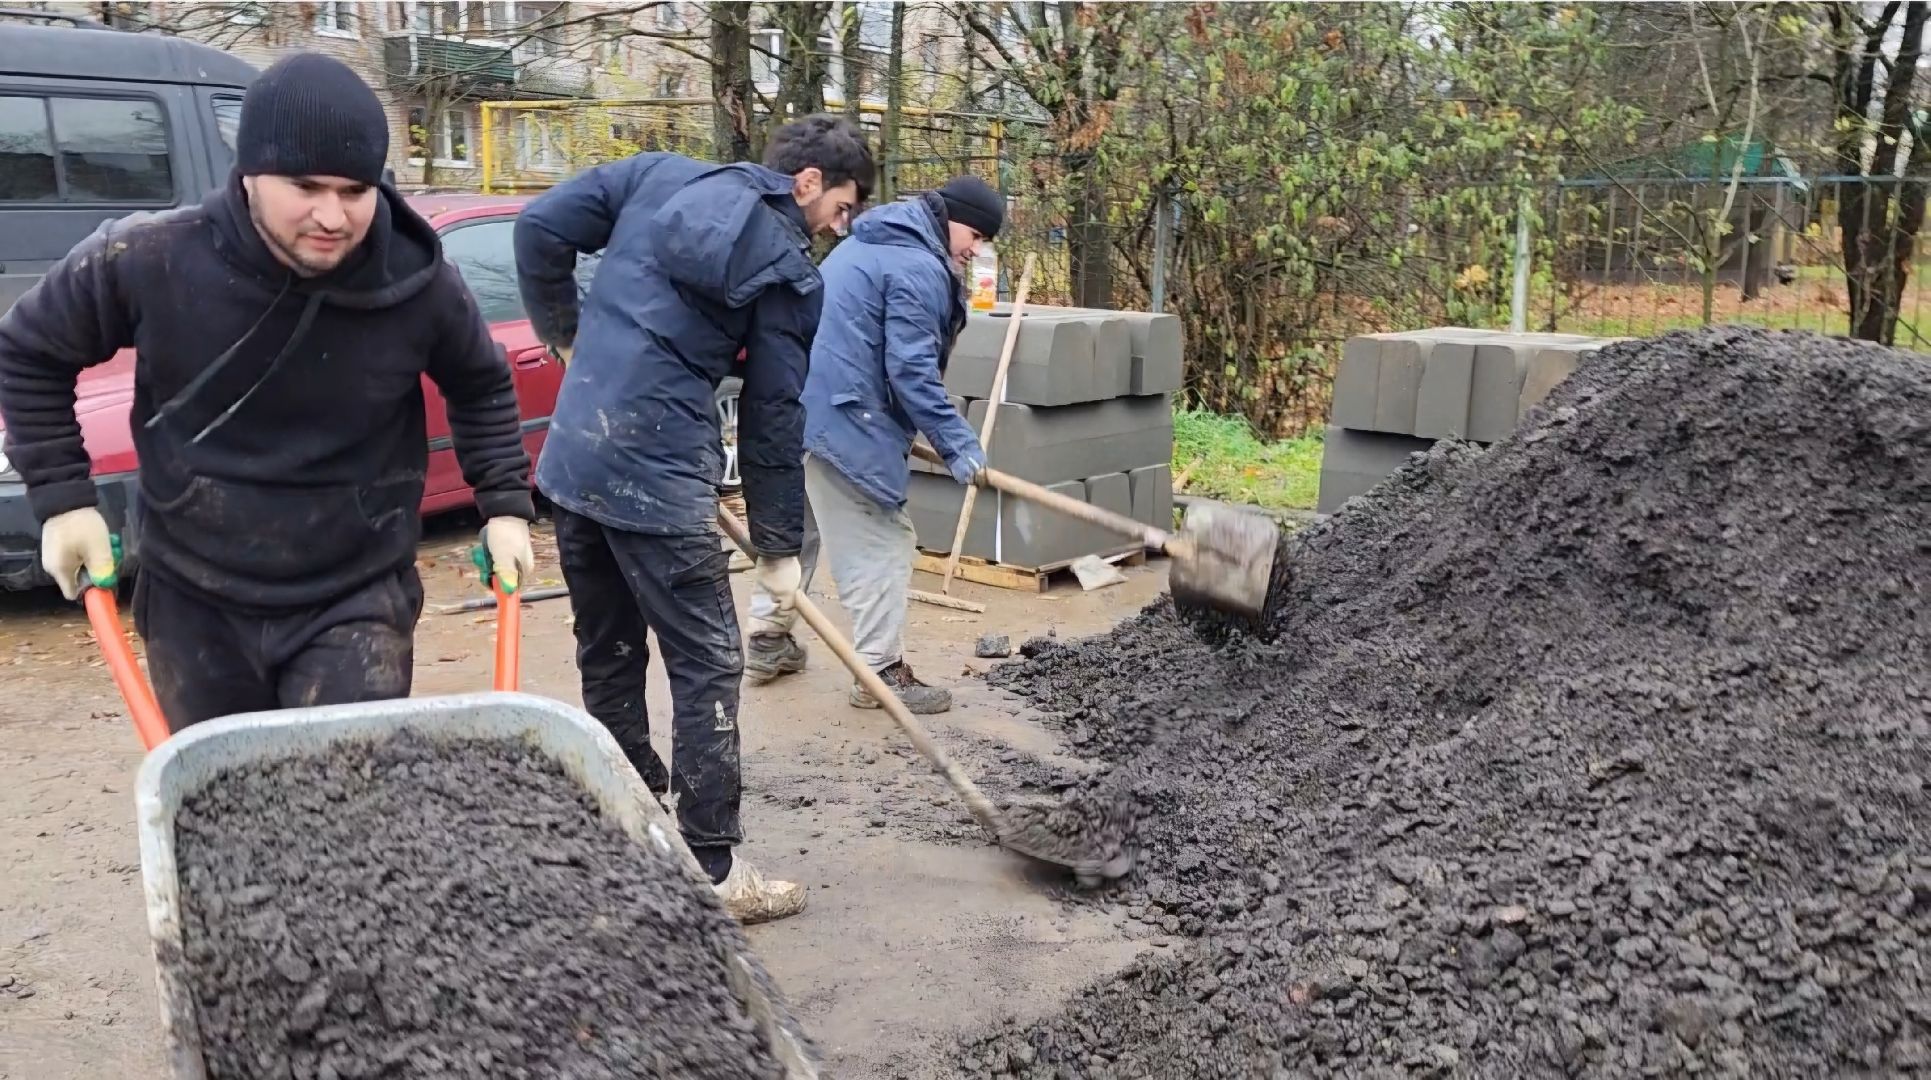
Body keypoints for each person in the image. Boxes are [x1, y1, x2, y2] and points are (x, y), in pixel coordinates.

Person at [0, 54, 535, 729]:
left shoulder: (418, 283)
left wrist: (505, 506)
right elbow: (28, 349)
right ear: (251, 172)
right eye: (305, 186)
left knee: (341, 788)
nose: (332, 215)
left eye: (354, 190)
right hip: (195, 593)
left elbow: (481, 383)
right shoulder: (153, 258)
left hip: (355, 592)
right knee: (221, 794)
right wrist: (64, 502)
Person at [513, 115, 874, 924]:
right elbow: (774, 415)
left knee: (606, 646)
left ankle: (625, 817)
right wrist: (781, 549)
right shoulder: (786, 270)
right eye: (841, 209)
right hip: (659, 472)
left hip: (573, 456)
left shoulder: (654, 174)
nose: (836, 229)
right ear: (807, 182)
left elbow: (539, 227)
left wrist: (563, 336)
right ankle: (711, 868)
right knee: (708, 664)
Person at [744, 176, 1002, 716]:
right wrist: (959, 446)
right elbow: (910, 369)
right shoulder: (915, 266)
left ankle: (769, 642)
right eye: (974, 235)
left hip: (796, 405)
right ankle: (881, 672)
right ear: (948, 216)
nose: (975, 249)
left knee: (796, 531)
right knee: (883, 537)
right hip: (845, 415)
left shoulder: (866, 243)